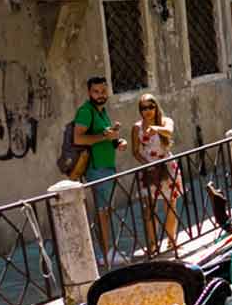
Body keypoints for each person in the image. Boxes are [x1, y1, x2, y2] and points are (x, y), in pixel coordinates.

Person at [74, 76, 128, 261]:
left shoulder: (102, 112)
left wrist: (118, 141)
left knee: (106, 211)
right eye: (96, 92)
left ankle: (108, 251)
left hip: (107, 166)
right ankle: (106, 254)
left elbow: (106, 138)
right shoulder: (85, 112)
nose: (100, 95)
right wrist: (105, 137)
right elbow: (78, 138)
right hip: (96, 169)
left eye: (103, 91)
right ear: (89, 93)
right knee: (102, 212)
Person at [130, 93, 182, 256]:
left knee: (170, 204)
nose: (148, 111)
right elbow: (135, 151)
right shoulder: (137, 127)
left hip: (167, 165)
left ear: (156, 106)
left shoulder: (165, 121)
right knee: (148, 208)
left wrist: (156, 128)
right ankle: (152, 245)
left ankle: (171, 240)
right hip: (149, 168)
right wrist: (147, 165)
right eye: (144, 108)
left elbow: (169, 131)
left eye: (151, 106)